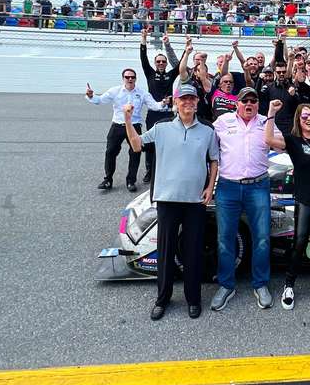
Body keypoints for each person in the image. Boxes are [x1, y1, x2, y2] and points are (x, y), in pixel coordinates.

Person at [123, 84, 218, 320]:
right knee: (165, 252)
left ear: (197, 102)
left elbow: (214, 160)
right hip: (167, 199)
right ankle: (162, 299)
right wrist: (127, 118)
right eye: (183, 99)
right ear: (176, 102)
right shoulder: (162, 127)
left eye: (191, 99)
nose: (188, 103)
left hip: (195, 200)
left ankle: (193, 299)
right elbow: (136, 145)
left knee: (192, 251)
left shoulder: (207, 130)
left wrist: (209, 187)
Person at [210, 87, 281, 312]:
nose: (248, 104)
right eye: (244, 100)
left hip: (258, 186)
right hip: (228, 187)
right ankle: (226, 285)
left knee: (262, 239)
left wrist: (271, 118)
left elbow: (280, 143)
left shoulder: (265, 121)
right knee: (225, 239)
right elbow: (205, 145)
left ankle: (260, 284)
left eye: (253, 100)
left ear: (258, 104)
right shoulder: (223, 121)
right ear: (237, 104)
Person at [264, 100, 310, 311]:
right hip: (305, 199)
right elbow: (267, 139)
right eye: (304, 116)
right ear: (298, 119)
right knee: (300, 241)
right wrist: (270, 113)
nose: (308, 119)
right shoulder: (293, 140)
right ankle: (289, 285)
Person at [85, 69, 169, 191]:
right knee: (110, 152)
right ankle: (108, 179)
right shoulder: (114, 91)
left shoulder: (142, 93)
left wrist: (163, 103)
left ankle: (131, 181)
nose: (130, 79)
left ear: (135, 78)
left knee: (135, 153)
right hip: (118, 125)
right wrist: (91, 96)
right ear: (123, 78)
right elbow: (99, 100)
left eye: (132, 77)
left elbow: (154, 106)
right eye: (127, 77)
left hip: (134, 127)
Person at [139, 28, 179, 183]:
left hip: (168, 113)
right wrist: (143, 38)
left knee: (168, 142)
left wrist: (185, 48)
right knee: (150, 142)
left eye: (163, 61)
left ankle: (166, 169)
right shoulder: (150, 73)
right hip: (153, 113)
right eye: (158, 61)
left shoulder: (171, 74)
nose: (161, 63)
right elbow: (143, 58)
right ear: (155, 63)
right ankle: (149, 170)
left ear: (166, 63)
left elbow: (182, 63)